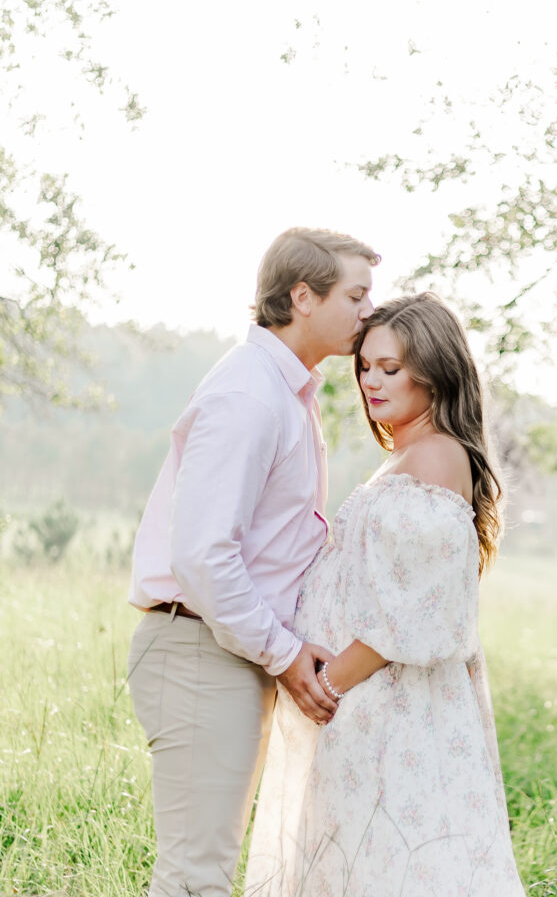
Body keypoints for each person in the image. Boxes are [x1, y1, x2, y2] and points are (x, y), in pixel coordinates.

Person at [245, 292, 526, 896]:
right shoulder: (407, 454)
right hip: (362, 705)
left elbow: (414, 615)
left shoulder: (436, 458)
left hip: (385, 710)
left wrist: (324, 684)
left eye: (391, 369)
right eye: (366, 366)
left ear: (436, 371)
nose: (372, 381)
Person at [126, 227, 379, 897]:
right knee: (194, 876)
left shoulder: (283, 391)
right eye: (355, 294)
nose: (367, 312)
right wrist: (287, 654)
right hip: (197, 649)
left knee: (204, 868)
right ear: (302, 295)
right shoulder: (249, 394)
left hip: (224, 651)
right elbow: (203, 555)